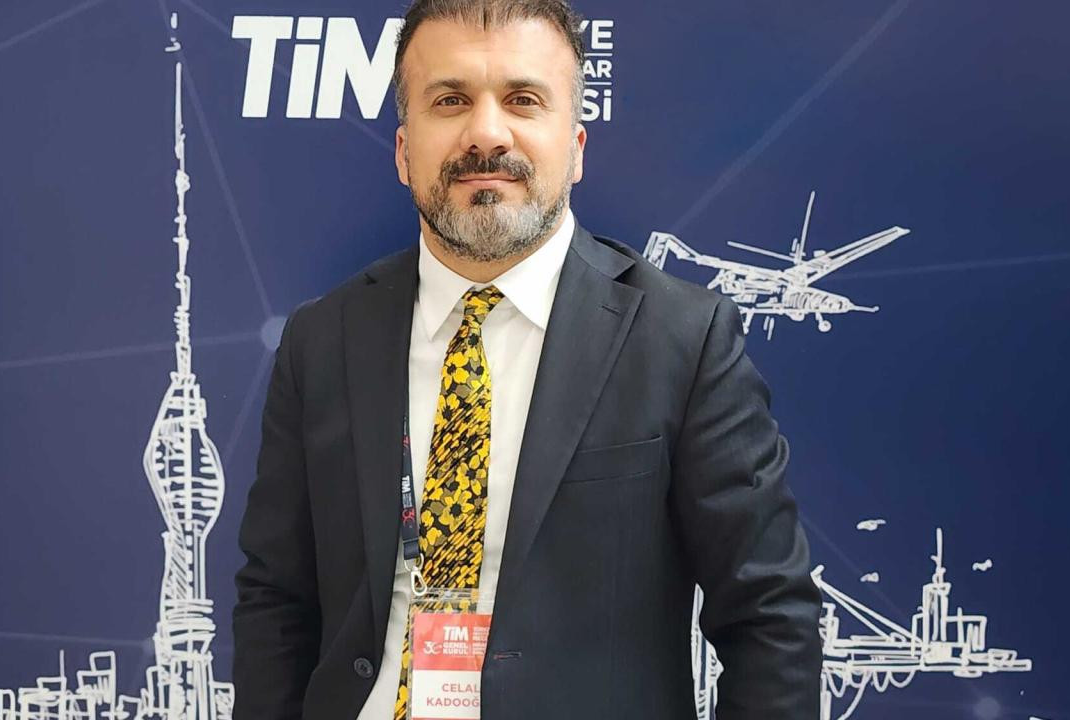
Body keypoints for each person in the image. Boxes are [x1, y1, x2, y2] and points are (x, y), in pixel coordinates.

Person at [232, 1, 823, 718]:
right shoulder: (322, 340)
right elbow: (277, 600)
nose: (486, 132)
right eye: (450, 100)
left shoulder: (683, 341)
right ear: (403, 151)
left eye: (522, 99)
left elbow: (769, 615)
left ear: (575, 147)